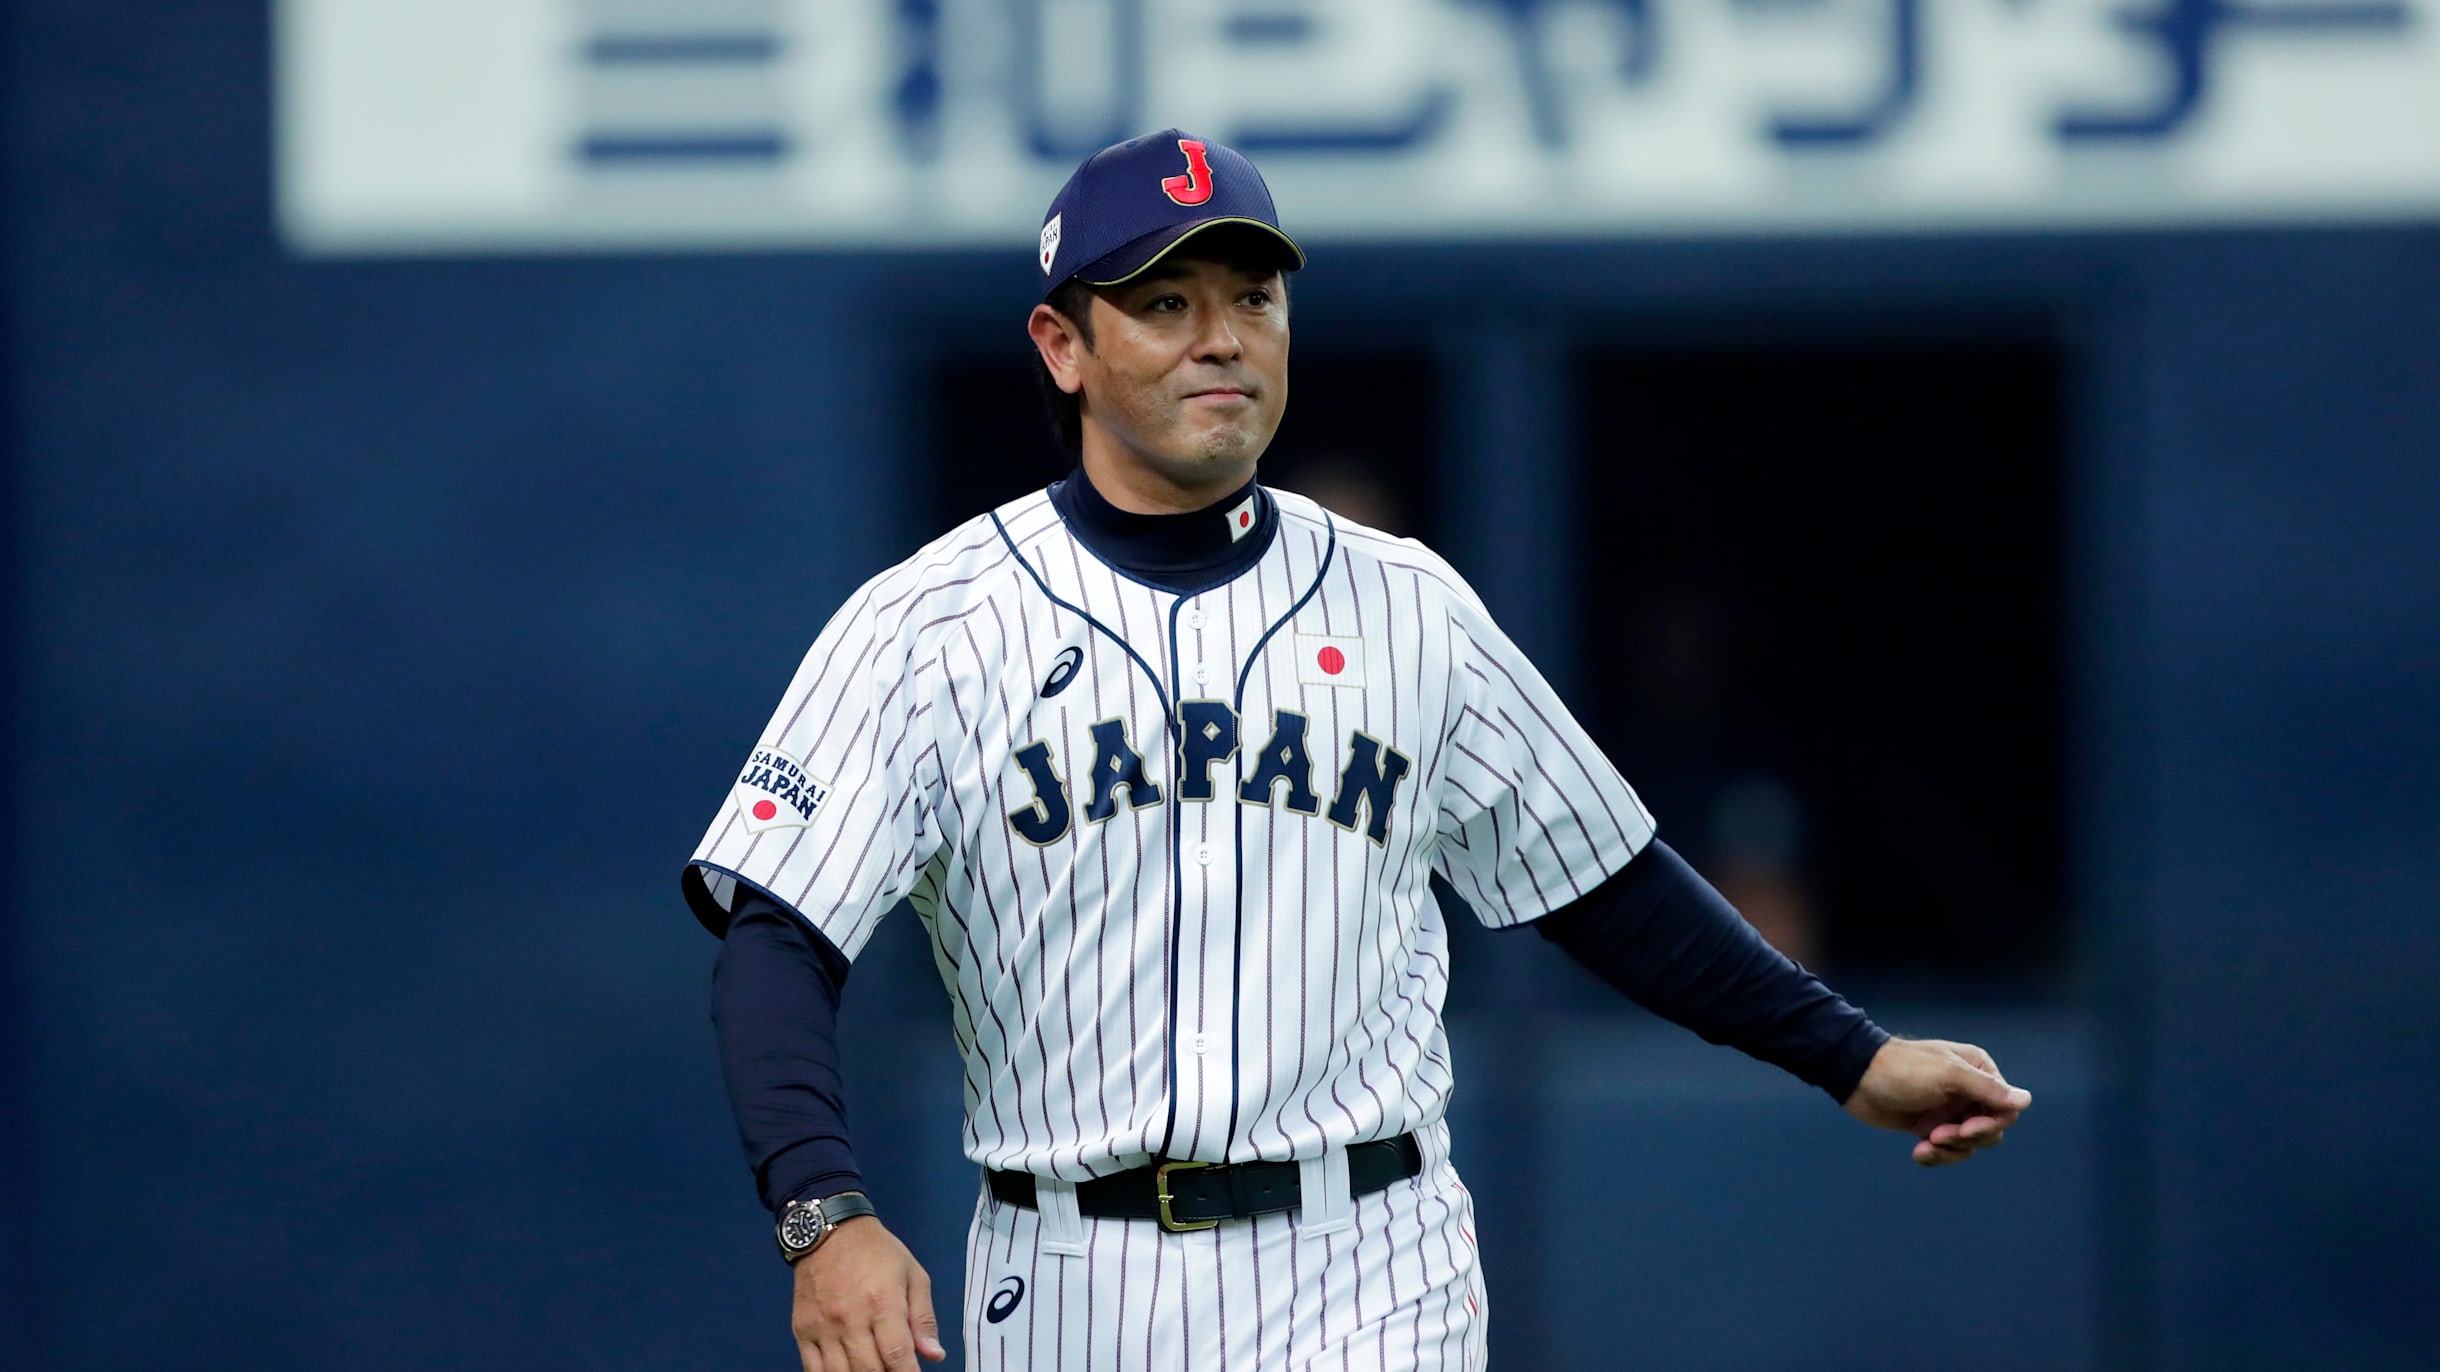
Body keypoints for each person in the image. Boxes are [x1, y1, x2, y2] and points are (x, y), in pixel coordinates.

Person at [682, 128, 2031, 1372]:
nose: (1222, 339)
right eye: (1165, 304)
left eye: (1253, 299)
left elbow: (1603, 883)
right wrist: (823, 1214)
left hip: (1366, 1254)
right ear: (1061, 344)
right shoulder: (929, 626)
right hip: (1067, 1269)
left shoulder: (1409, 607)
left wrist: (1849, 1055)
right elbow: (779, 932)